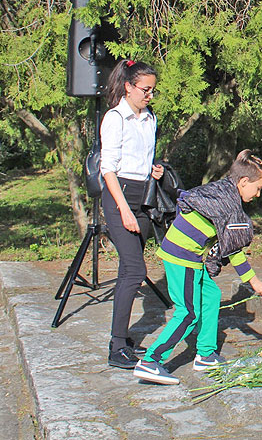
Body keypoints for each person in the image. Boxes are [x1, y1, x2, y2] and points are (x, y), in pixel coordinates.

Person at [134, 150, 262, 385]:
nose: (258, 194)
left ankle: (205, 355)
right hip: (182, 256)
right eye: (257, 188)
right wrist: (253, 281)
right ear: (243, 181)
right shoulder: (229, 206)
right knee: (187, 313)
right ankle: (151, 361)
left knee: (211, 295)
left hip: (186, 254)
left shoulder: (222, 190)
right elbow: (234, 250)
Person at [100, 59, 164, 369]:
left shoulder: (150, 119)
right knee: (136, 271)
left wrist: (154, 170)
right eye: (145, 89)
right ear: (128, 87)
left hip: (143, 196)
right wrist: (124, 210)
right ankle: (116, 346)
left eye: (153, 90)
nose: (149, 95)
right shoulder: (115, 118)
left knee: (129, 271)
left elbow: (142, 157)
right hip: (119, 198)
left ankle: (121, 340)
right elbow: (108, 169)